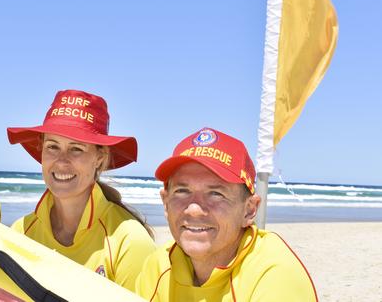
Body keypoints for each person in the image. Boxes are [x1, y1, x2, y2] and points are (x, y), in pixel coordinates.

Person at [136, 127, 317, 301]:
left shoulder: (274, 276)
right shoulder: (159, 265)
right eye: (182, 191)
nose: (194, 210)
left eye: (216, 194)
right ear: (165, 203)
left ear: (250, 210)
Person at [8, 89, 156, 291]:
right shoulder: (21, 231)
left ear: (99, 159)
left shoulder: (129, 241)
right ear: (41, 150)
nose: (62, 161)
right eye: (53, 147)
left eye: (76, 149)